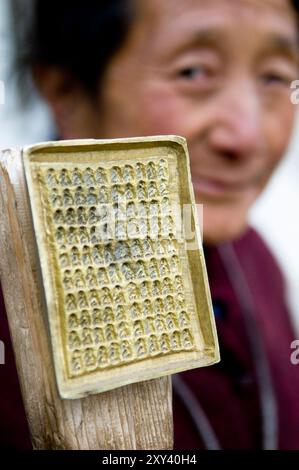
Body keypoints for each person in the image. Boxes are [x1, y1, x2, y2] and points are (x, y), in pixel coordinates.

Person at [1, 0, 299, 449]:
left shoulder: (253, 258)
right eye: (193, 72)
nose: (247, 135)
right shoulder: (10, 306)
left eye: (275, 77)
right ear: (67, 93)